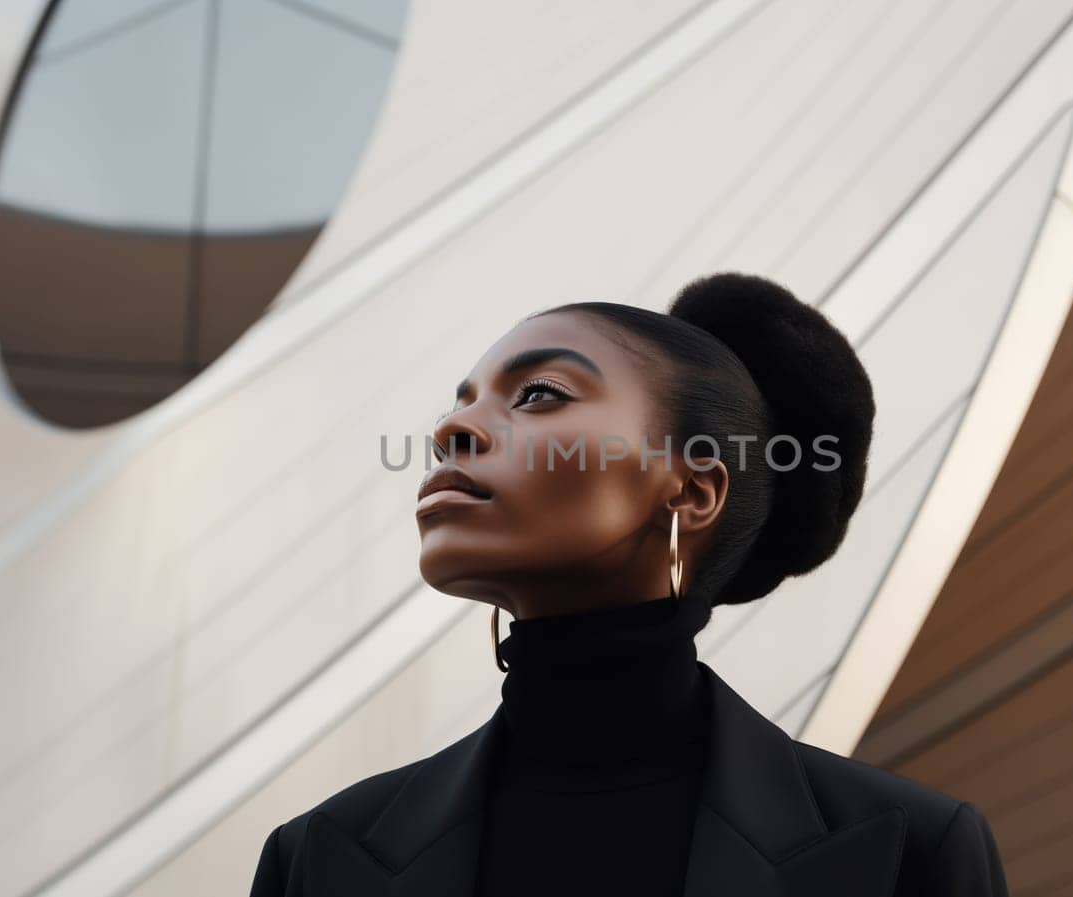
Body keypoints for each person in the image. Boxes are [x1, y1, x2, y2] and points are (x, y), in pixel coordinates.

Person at [249, 272, 1011, 895]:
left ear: (692, 489)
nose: (454, 429)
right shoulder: (317, 860)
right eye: (462, 399)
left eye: (539, 393)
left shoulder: (911, 854)